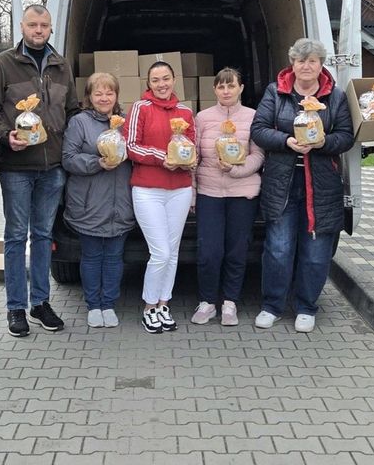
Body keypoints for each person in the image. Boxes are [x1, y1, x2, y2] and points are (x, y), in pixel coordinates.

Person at [0, 4, 80, 338]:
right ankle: (15, 308)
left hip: (53, 167)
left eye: (44, 25)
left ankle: (40, 303)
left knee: (43, 236)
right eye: (33, 25)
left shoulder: (61, 65)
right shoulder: (4, 63)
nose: (39, 30)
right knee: (15, 236)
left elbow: (73, 110)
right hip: (17, 167)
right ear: (22, 27)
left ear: (51, 29)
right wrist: (5, 136)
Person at [250, 38, 354, 334]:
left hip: (321, 184)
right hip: (282, 182)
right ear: (292, 64)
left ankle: (306, 307)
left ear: (321, 65)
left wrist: (322, 143)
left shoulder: (335, 96)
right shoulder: (276, 92)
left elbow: (346, 136)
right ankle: (272, 305)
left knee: (316, 251)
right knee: (278, 248)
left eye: (312, 61)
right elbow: (258, 130)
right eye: (300, 61)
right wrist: (286, 141)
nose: (306, 66)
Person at [126, 61, 196, 334]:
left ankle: (164, 304)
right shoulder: (140, 108)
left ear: (174, 79)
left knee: (173, 251)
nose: (161, 84)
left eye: (166, 78)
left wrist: (189, 159)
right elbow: (131, 146)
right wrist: (162, 157)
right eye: (155, 80)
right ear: (149, 83)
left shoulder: (185, 112)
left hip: (179, 189)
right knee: (161, 252)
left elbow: (192, 146)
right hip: (148, 190)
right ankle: (149, 306)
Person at [191, 67, 264, 326]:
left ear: (241, 88)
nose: (226, 91)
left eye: (231, 86)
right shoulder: (202, 118)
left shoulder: (254, 117)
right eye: (221, 86)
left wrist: (235, 170)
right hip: (209, 192)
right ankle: (207, 302)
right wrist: (192, 191)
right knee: (209, 251)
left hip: (243, 193)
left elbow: (258, 155)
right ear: (214, 89)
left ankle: (230, 303)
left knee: (237, 250)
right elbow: (193, 157)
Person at [61, 72, 134, 329]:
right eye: (98, 93)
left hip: (120, 203)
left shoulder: (126, 123)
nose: (104, 98)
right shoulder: (79, 123)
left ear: (116, 95)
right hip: (89, 203)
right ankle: (93, 305)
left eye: (109, 93)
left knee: (114, 256)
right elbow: (68, 158)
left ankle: (109, 304)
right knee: (91, 256)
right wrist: (97, 163)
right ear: (89, 97)